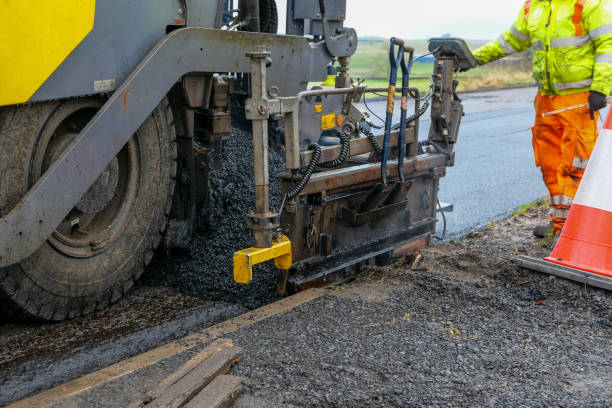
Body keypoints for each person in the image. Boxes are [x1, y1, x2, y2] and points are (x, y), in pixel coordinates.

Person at [471, 0, 612, 240]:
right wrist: (474, 59)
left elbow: (607, 45)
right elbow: (510, 41)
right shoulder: (532, 7)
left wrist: (600, 87)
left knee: (575, 164)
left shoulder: (588, 4)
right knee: (550, 162)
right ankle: (559, 223)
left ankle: (575, 229)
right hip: (546, 99)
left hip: (578, 98)